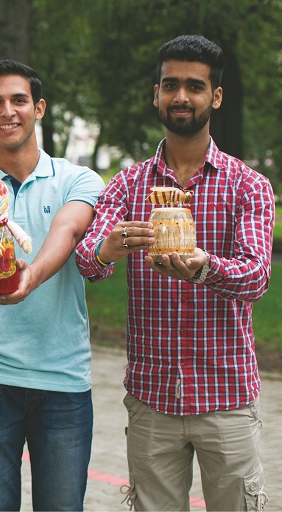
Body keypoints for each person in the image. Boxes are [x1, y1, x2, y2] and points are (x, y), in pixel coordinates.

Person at [76, 35, 273, 511]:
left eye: (194, 86)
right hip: (153, 397)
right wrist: (107, 249)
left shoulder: (248, 185)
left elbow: (256, 276)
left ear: (215, 97)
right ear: (156, 94)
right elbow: (86, 259)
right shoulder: (128, 184)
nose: (181, 96)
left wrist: (205, 268)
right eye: (170, 85)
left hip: (226, 395)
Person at [0, 59, 104, 511]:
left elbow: (69, 230)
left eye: (18, 100)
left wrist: (31, 276)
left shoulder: (79, 179)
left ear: (39, 108)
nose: (7, 111)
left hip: (63, 378)